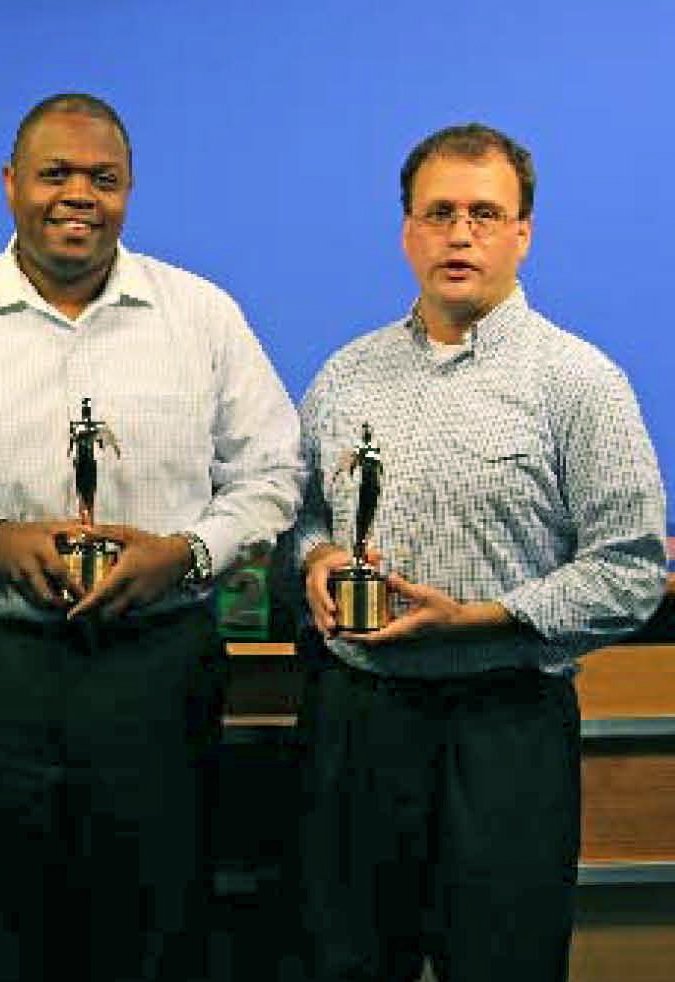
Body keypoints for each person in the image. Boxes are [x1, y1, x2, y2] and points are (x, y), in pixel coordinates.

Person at [0, 93, 302, 982]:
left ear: (129, 191)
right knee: (8, 924)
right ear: (11, 184)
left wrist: (188, 552)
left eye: (103, 179)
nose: (77, 196)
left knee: (160, 923)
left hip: (157, 659)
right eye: (55, 174)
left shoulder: (200, 317)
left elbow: (275, 473)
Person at [294, 123, 668, 982]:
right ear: (407, 231)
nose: (459, 234)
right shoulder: (344, 377)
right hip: (360, 721)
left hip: (505, 725)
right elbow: (303, 520)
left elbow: (632, 566)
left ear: (522, 233)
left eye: (484, 214)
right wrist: (313, 561)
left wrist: (484, 618)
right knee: (343, 959)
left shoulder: (579, 382)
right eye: (439, 213)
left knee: (502, 963)